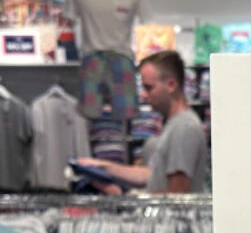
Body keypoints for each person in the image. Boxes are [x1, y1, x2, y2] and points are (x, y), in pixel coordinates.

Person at [77, 50, 209, 194]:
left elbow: (177, 194)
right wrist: (103, 166)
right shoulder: (174, 124)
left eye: (148, 88)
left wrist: (124, 195)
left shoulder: (184, 127)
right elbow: (151, 175)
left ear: (171, 85)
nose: (143, 95)